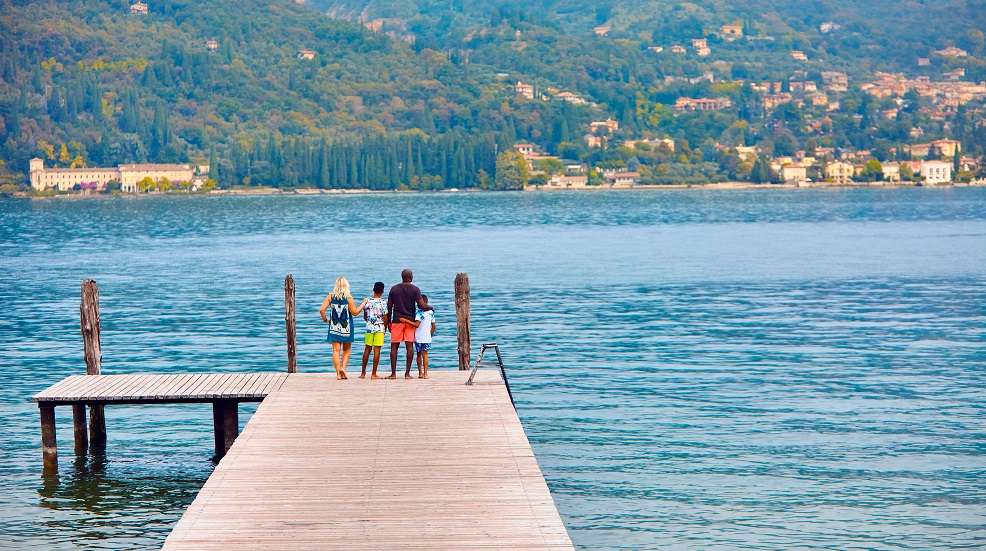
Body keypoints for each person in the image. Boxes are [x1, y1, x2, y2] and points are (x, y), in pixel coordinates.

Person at [386, 268, 432, 380]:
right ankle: (407, 374)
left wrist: (388, 322)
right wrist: (431, 307)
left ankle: (393, 374)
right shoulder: (415, 289)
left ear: (402, 277)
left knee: (394, 347)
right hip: (410, 322)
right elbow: (421, 306)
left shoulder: (394, 289)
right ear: (411, 277)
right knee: (409, 347)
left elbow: (389, 307)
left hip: (397, 321)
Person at [320, 277, 366, 380]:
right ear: (346, 286)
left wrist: (325, 319)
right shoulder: (349, 298)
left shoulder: (330, 296)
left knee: (336, 350)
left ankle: (338, 374)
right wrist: (363, 304)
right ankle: (343, 369)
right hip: (347, 327)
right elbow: (354, 312)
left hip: (334, 326)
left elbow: (322, 309)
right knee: (347, 349)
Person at [399, 294, 436, 379]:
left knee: (419, 354)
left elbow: (416, 325)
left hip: (418, 337)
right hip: (427, 337)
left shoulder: (418, 313)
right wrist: (430, 334)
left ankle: (420, 373)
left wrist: (405, 321)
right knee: (425, 354)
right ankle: (426, 373)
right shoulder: (431, 313)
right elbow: (434, 326)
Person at [360, 282, 388, 379]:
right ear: (382, 291)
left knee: (367, 349)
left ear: (373, 290)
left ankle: (363, 373)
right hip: (380, 328)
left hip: (369, 327)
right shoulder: (383, 302)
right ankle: (373, 374)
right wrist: (385, 329)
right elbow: (385, 318)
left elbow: (365, 317)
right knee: (377, 350)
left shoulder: (367, 302)